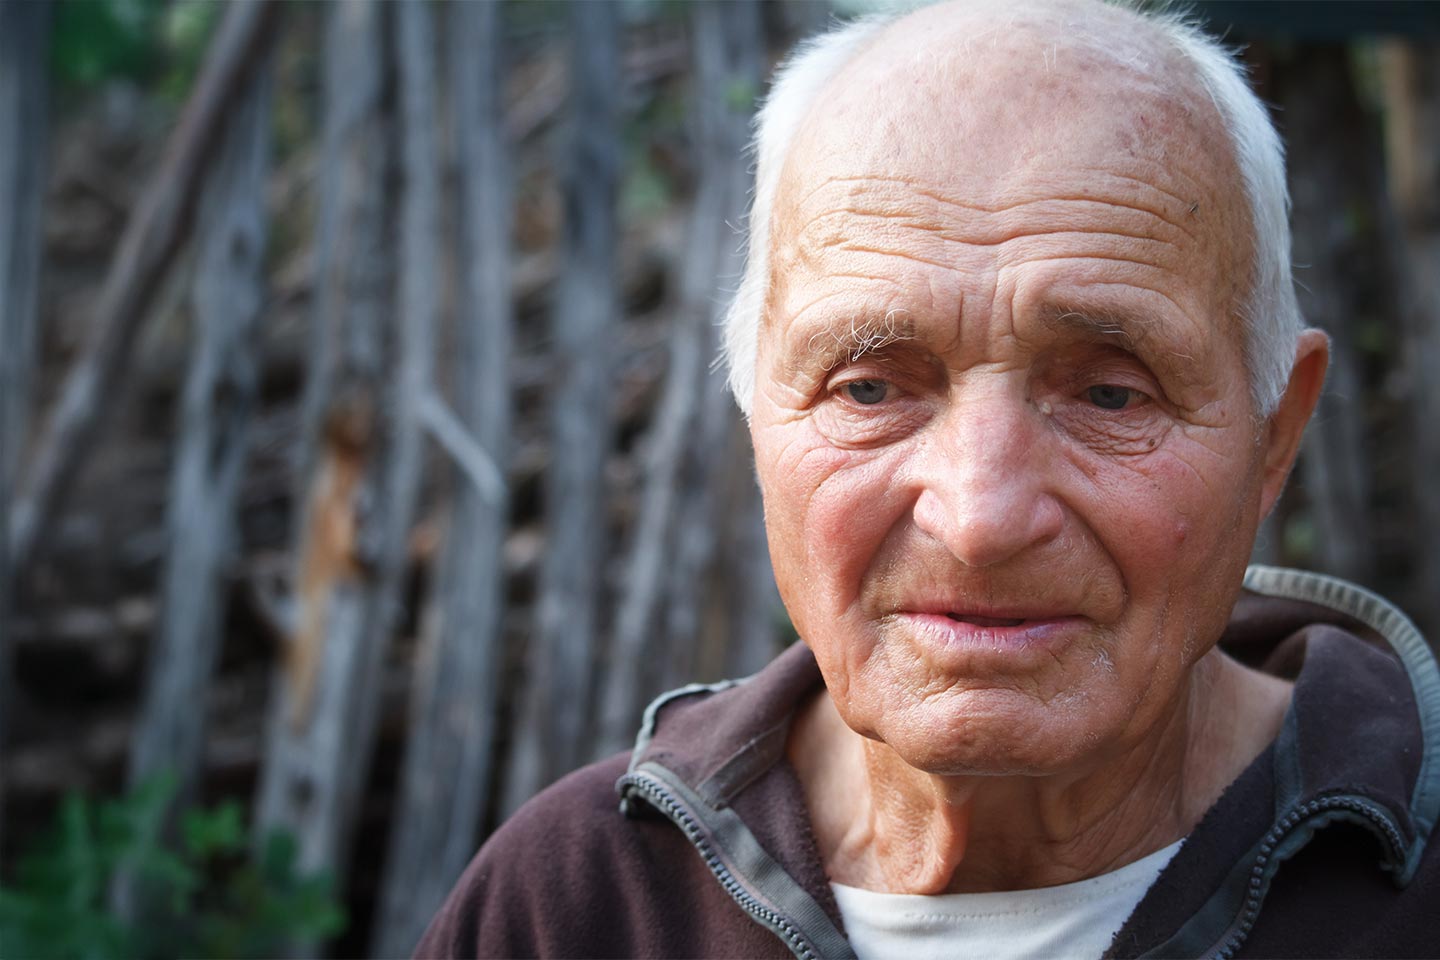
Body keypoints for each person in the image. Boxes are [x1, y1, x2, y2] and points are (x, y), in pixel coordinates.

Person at [416, 0, 1440, 956]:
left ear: (1275, 435)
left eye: (1113, 396)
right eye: (868, 389)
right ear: (756, 412)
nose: (979, 519)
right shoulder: (578, 905)